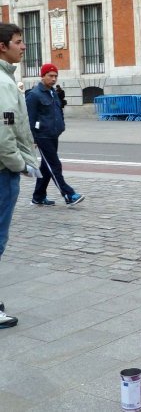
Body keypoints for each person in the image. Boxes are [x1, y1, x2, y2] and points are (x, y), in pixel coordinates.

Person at [0, 23, 42, 328]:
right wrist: (20, 163)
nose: (23, 46)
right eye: (18, 41)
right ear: (3, 46)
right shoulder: (2, 83)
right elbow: (4, 131)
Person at [26, 63, 85, 206]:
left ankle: (38, 197)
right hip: (42, 136)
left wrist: (61, 125)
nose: (53, 79)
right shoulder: (34, 95)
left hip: (53, 134)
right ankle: (69, 195)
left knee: (46, 168)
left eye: (55, 76)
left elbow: (58, 111)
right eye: (50, 76)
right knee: (54, 165)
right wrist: (32, 138)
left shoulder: (53, 92)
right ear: (43, 76)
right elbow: (29, 118)